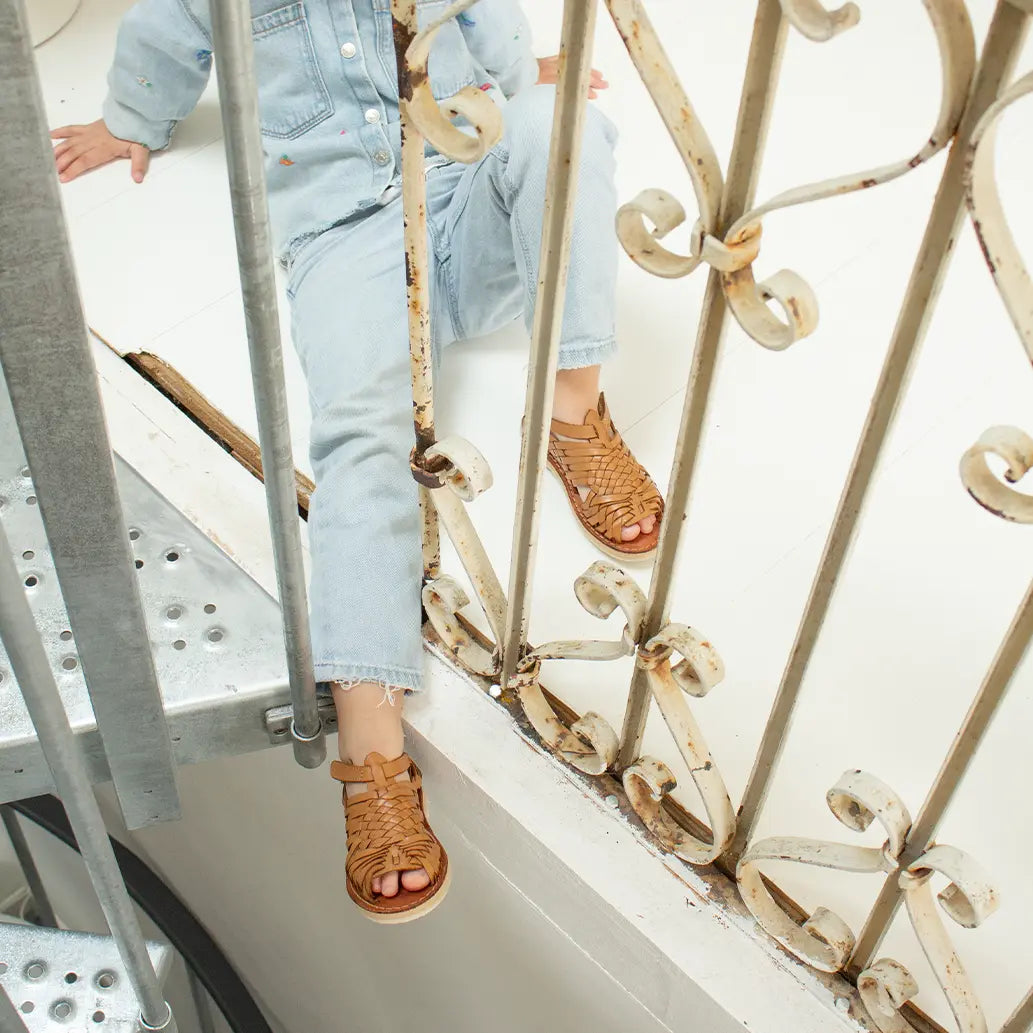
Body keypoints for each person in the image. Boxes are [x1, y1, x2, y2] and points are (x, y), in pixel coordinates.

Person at [52, 0, 664, 923]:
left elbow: (489, 25)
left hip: (464, 186)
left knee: (558, 122)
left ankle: (573, 412)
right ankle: (372, 749)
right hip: (344, 236)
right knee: (359, 439)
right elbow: (165, 31)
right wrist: (130, 121)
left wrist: (514, 74)